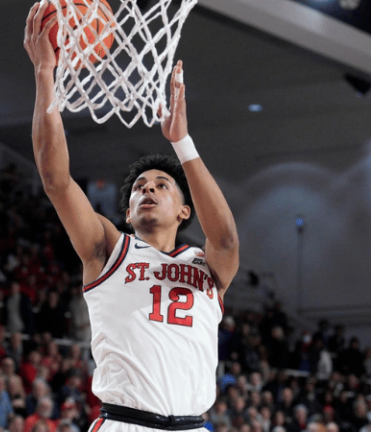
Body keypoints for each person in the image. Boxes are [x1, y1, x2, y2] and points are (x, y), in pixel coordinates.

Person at [24, 4, 239, 432]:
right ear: (127, 212)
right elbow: (56, 181)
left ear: (184, 210)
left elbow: (227, 240)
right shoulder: (109, 250)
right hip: (126, 423)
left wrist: (182, 143)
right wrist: (45, 72)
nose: (148, 189)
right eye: (140, 186)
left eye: (161, 184)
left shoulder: (207, 266)